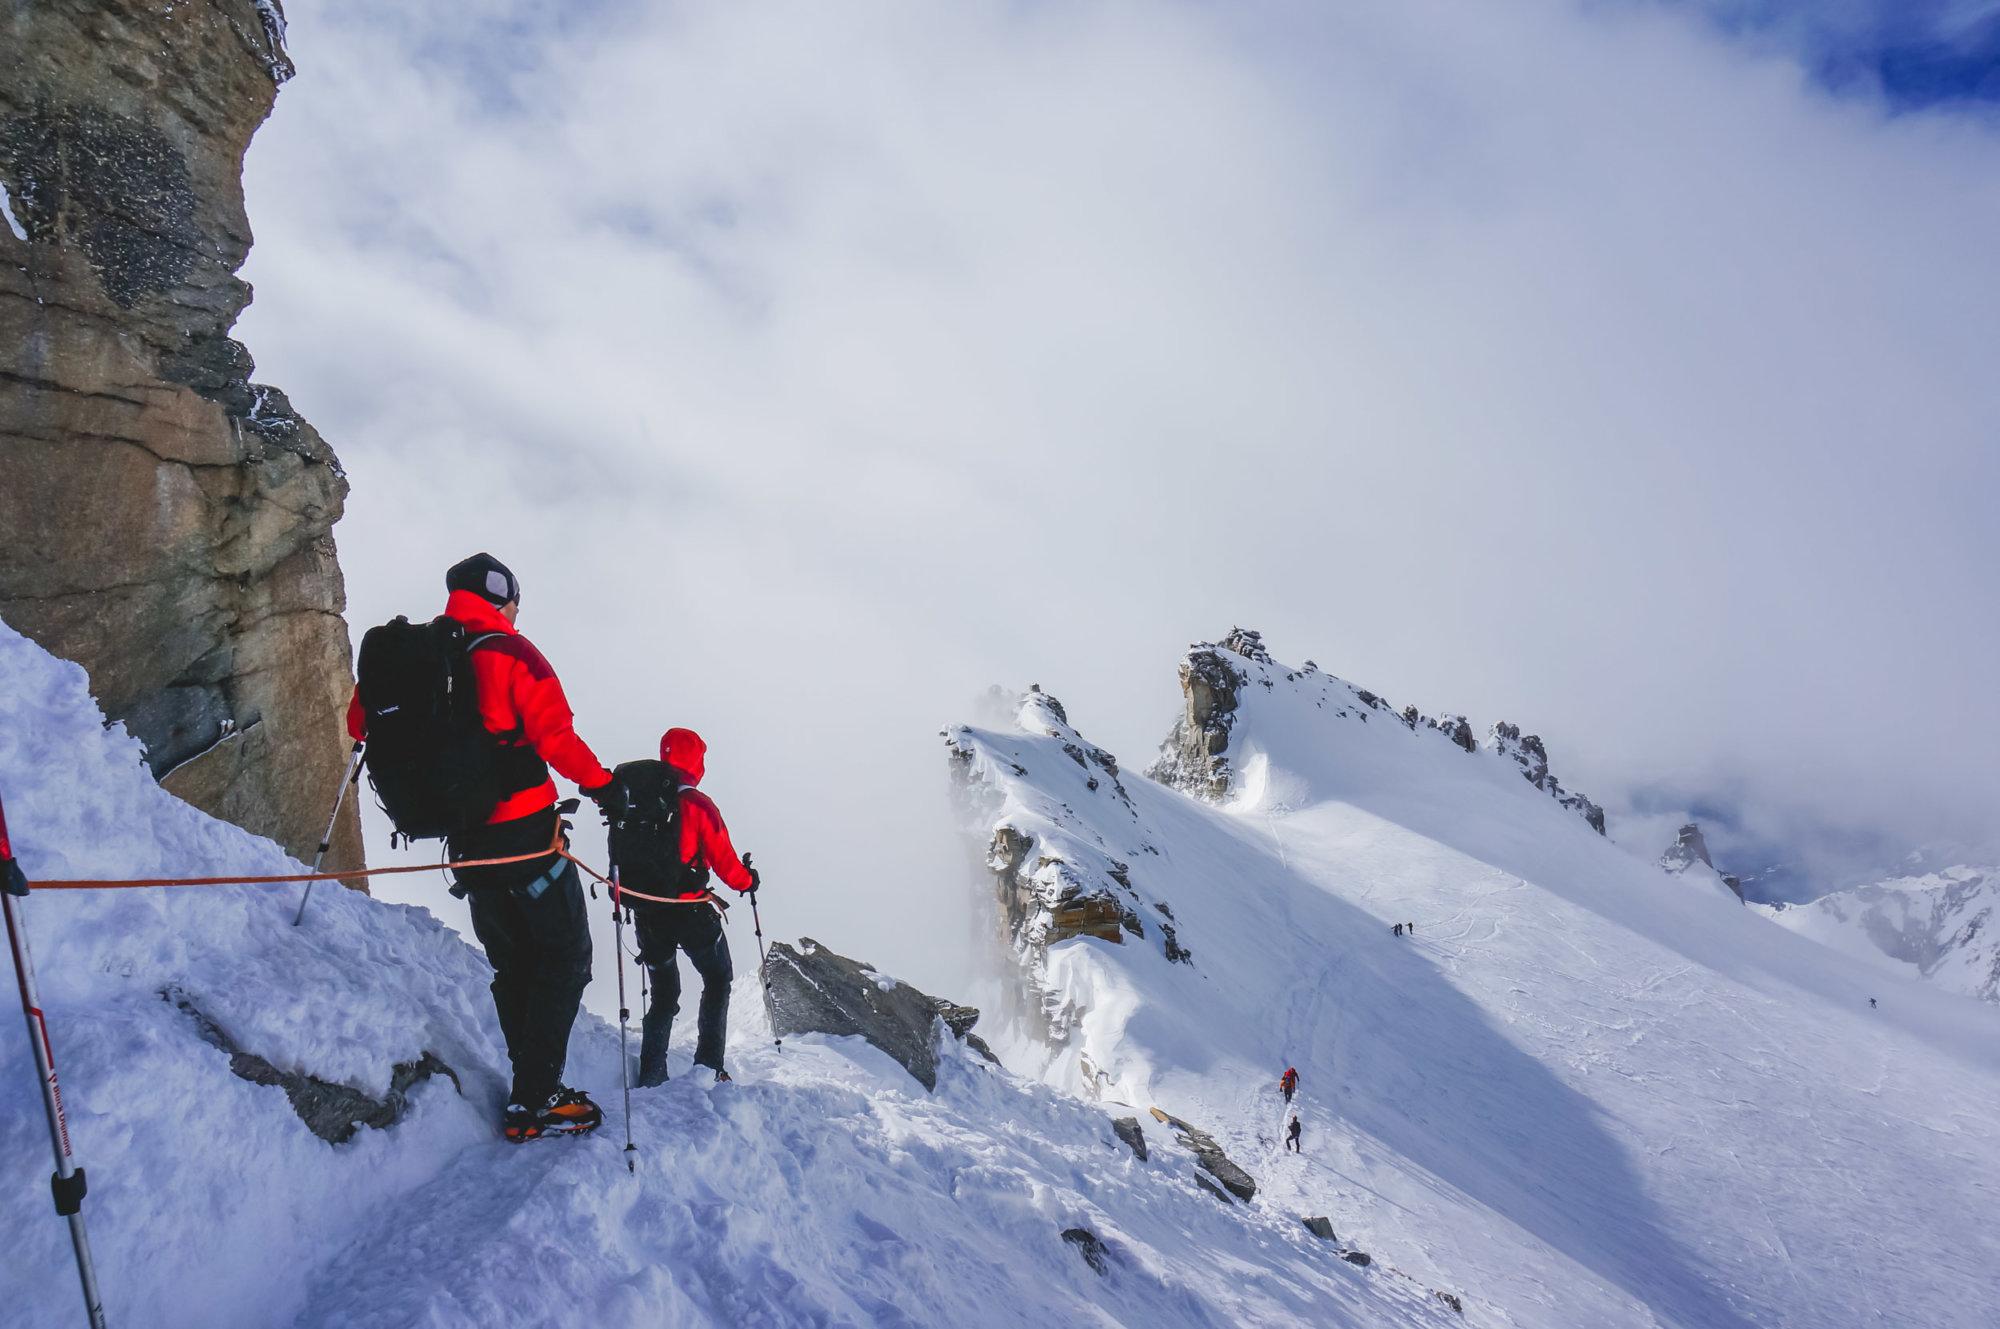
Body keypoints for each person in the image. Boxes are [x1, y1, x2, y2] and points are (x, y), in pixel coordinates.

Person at [347, 553, 618, 1143]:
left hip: (464, 841)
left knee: (514, 963)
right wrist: (604, 788)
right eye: (517, 599)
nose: (519, 610)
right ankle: (537, 1098)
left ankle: (531, 1092)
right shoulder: (508, 651)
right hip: (526, 836)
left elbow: (359, 725)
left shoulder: (419, 654)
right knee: (565, 958)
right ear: (503, 596)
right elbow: (555, 737)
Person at [628, 728, 758, 1087]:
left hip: (648, 911)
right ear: (697, 760)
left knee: (664, 993)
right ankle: (709, 1068)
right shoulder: (698, 804)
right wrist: (749, 881)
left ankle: (652, 1073)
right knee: (717, 980)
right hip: (691, 911)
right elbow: (727, 866)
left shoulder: (639, 799)